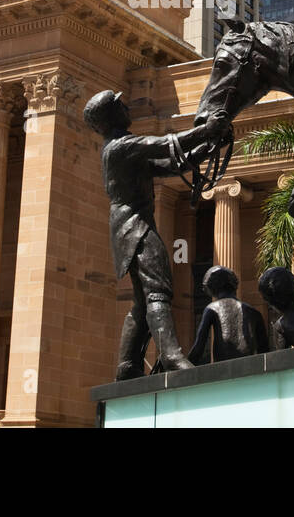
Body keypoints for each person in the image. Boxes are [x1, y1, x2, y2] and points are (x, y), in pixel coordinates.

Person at [84, 90, 229, 380]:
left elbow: (172, 164)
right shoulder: (121, 146)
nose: (127, 106)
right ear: (113, 114)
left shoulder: (123, 148)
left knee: (142, 299)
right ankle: (171, 355)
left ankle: (127, 364)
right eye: (120, 104)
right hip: (135, 227)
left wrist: (208, 147)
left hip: (130, 227)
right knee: (158, 290)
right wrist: (207, 130)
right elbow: (164, 145)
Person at [186, 266, 268, 364]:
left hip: (223, 369)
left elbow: (198, 348)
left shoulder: (212, 308)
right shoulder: (254, 312)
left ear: (212, 287)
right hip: (248, 368)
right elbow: (265, 351)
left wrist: (184, 370)